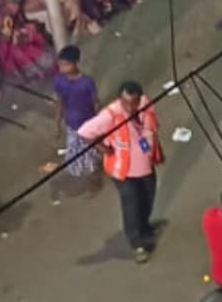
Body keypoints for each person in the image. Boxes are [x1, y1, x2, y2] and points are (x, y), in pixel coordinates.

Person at [78, 80, 164, 263]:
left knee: (148, 198)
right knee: (131, 205)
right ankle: (137, 243)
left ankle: (144, 226)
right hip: (123, 171)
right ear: (120, 100)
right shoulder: (110, 115)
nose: (130, 107)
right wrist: (103, 149)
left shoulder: (145, 104)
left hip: (145, 165)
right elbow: (84, 132)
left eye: (134, 102)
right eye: (126, 103)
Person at [53, 46, 101, 192]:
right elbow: (60, 102)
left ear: (76, 63)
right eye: (60, 64)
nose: (62, 68)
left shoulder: (87, 83)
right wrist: (57, 123)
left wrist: (99, 124)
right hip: (72, 126)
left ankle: (93, 184)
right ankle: (87, 180)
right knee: (73, 157)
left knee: (89, 158)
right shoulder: (59, 81)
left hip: (88, 125)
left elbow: (96, 103)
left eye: (66, 64)